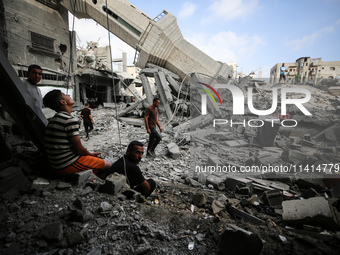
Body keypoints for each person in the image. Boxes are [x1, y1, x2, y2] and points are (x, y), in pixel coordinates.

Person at [43, 89, 111, 178]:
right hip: (66, 163)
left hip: (56, 162)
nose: (68, 95)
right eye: (65, 94)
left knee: (95, 162)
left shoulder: (53, 119)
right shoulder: (69, 120)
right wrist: (90, 154)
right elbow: (79, 150)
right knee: (108, 165)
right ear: (63, 102)